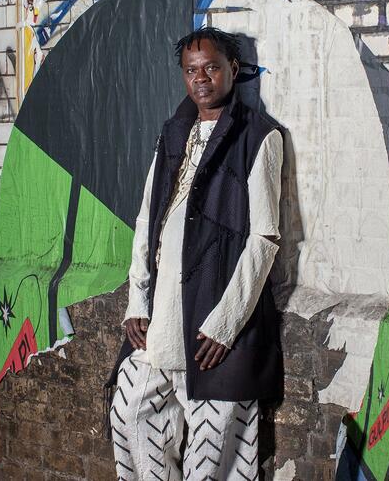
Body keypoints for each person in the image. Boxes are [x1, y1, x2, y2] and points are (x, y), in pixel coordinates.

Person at [107, 27, 284, 480]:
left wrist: (225, 325)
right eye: (191, 70)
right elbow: (148, 218)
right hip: (162, 315)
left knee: (212, 460)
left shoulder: (259, 136)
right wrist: (136, 300)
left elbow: (265, 238)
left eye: (211, 67)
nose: (201, 77)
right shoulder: (174, 132)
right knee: (129, 415)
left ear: (233, 71)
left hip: (216, 323)